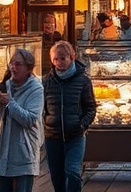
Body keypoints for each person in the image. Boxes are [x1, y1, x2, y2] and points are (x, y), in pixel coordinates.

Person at [0, 48, 44, 192]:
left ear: (28, 68)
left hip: (24, 152)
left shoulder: (36, 89)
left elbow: (30, 120)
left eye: (18, 64)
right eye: (11, 63)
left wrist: (10, 103)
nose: (13, 68)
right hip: (2, 152)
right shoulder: (4, 86)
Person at [43, 41, 96, 192]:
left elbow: (90, 107)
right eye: (55, 59)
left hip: (75, 135)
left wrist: (82, 125)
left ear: (72, 57)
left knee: (72, 172)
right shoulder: (47, 81)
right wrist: (46, 123)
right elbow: (43, 107)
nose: (59, 62)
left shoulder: (83, 80)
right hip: (53, 137)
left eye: (62, 58)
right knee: (57, 177)